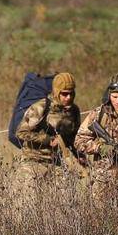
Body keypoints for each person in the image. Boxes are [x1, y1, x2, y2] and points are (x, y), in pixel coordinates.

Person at [13, 72, 84, 200]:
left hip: (56, 162)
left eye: (71, 93)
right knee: (26, 204)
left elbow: (73, 137)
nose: (68, 97)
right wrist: (47, 139)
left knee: (67, 201)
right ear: (57, 92)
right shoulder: (41, 107)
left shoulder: (74, 111)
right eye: (64, 94)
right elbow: (21, 133)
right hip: (33, 161)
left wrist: (80, 156)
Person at [75, 74, 118, 201]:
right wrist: (101, 148)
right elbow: (79, 141)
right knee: (100, 217)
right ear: (109, 95)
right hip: (104, 179)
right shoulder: (99, 114)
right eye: (114, 97)